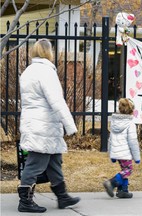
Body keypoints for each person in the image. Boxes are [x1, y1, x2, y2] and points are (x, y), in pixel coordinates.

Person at [17, 38, 80, 213]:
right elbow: (56, 101)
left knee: (54, 161)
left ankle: (63, 196)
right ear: (48, 52)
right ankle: (25, 201)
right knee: (36, 163)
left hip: (35, 122)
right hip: (43, 125)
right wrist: (70, 126)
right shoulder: (46, 72)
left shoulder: (28, 71)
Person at [103, 98, 141, 198]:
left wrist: (111, 153)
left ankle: (123, 190)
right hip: (125, 152)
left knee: (124, 169)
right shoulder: (130, 124)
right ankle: (112, 182)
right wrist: (137, 157)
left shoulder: (115, 122)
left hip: (117, 151)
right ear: (132, 111)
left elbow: (110, 138)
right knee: (128, 170)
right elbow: (132, 141)